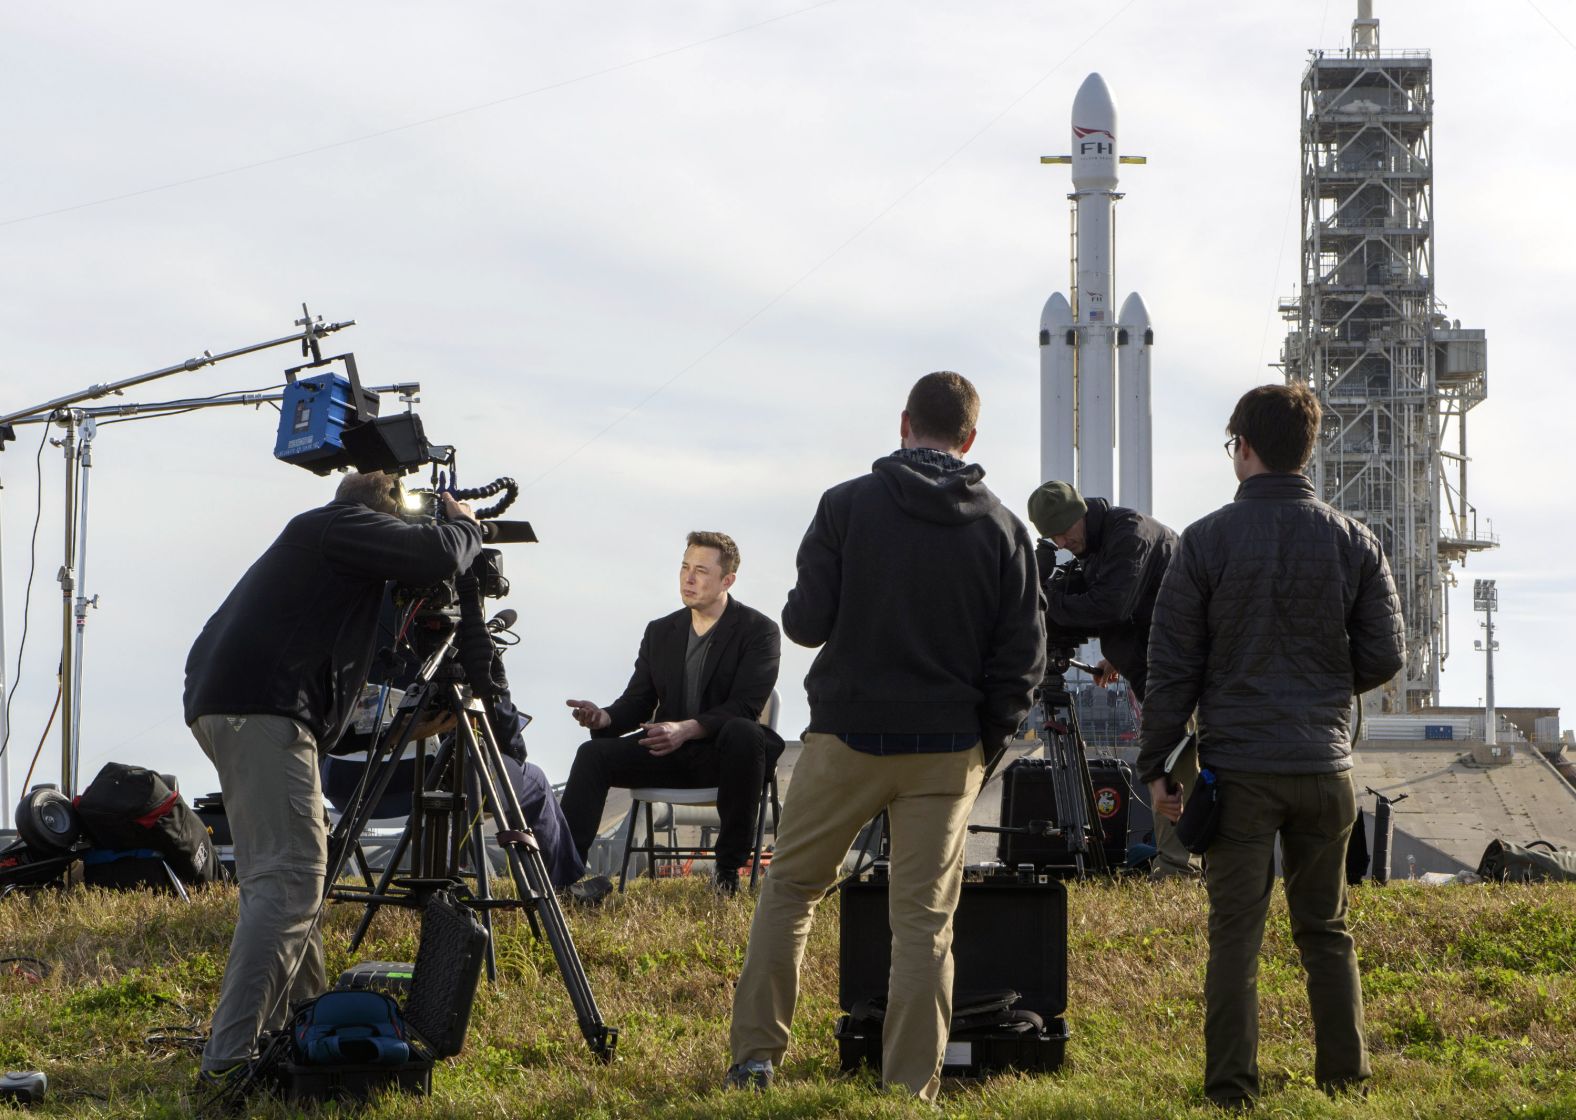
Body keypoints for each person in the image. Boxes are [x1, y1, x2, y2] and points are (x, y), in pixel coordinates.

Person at [726, 371, 1045, 1101]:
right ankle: (909, 1089)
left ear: (904, 424)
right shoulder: (1002, 529)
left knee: (792, 892)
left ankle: (755, 1060)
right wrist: (981, 746)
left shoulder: (845, 506)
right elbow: (1020, 660)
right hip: (945, 749)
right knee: (923, 924)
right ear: (969, 439)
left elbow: (805, 623)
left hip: (846, 736)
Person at [1136, 383, 1404, 1110]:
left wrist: (1155, 766)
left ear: (1244, 449)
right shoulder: (1355, 539)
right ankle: (1345, 1083)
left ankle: (1231, 1089)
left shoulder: (1205, 541)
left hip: (1241, 772)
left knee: (1236, 938)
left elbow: (1173, 670)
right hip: (1326, 768)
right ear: (1307, 450)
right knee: (1327, 930)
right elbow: (1385, 655)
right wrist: (1321, 678)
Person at [183, 470, 482, 1086]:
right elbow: (435, 553)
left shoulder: (329, 561)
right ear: (384, 518)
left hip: (250, 710)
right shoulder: (335, 525)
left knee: (298, 879)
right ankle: (230, 1063)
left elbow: (336, 724)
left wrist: (418, 728)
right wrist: (463, 526)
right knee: (289, 885)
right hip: (260, 711)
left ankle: (302, 1032)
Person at [559, 531, 784, 895]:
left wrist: (686, 728)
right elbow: (638, 701)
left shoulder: (759, 631)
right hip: (668, 753)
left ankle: (727, 872)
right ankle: (562, 875)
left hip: (725, 758)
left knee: (744, 732)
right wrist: (604, 718)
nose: (688, 578)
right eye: (684, 567)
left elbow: (745, 705)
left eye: (700, 571)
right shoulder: (661, 631)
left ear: (727, 580)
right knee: (592, 755)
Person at [1026, 479, 1197, 877]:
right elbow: (1133, 605)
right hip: (1158, 665)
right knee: (1174, 757)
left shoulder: (1128, 533)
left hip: (1186, 666)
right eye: (1053, 538)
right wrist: (1112, 655)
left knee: (1176, 758)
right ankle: (1177, 862)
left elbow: (1111, 604)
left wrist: (1045, 606)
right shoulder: (1098, 545)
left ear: (1081, 513)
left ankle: (1176, 868)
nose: (1063, 542)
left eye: (1065, 532)